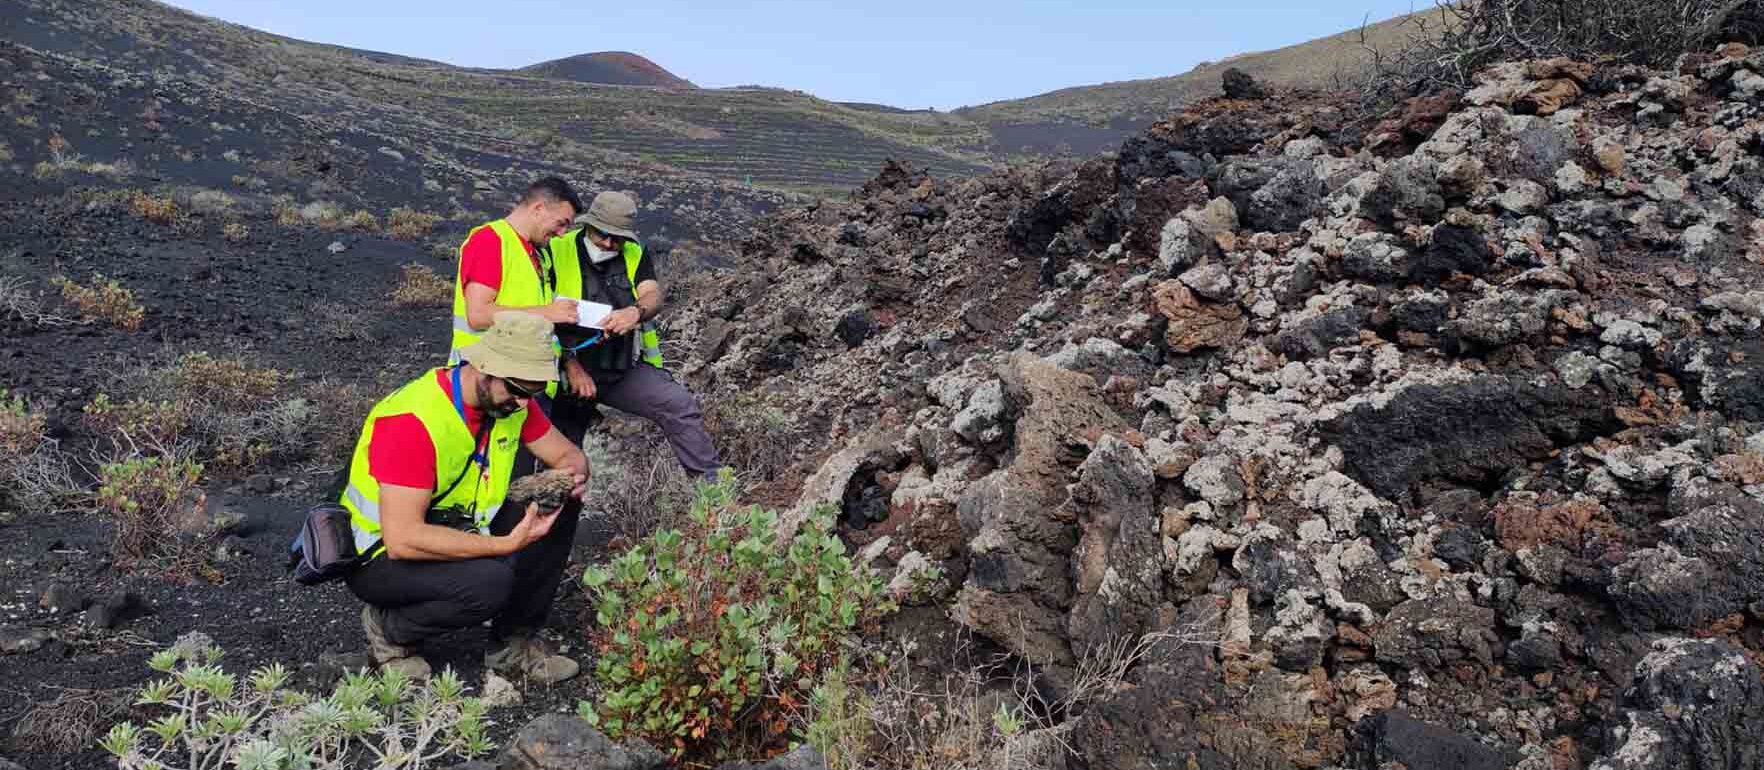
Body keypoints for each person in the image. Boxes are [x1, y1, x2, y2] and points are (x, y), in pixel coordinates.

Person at [340, 311, 590, 683]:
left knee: (559, 504)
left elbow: (569, 456)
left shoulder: (512, 401)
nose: (524, 404)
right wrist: (506, 544)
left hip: (457, 524)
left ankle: (511, 644)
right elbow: (403, 540)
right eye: (519, 391)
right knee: (488, 583)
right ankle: (390, 630)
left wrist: (569, 478)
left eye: (533, 393)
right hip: (378, 556)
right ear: (483, 369)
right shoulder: (413, 420)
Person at [537, 190, 723, 479]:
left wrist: (635, 312)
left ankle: (714, 492)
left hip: (619, 368)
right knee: (566, 465)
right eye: (603, 235)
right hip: (566, 376)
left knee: (678, 405)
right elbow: (539, 317)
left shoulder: (635, 252)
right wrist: (570, 366)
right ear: (587, 225)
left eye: (618, 237)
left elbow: (652, 294)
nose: (611, 244)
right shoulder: (554, 250)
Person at [450, 176, 584, 375]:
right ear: (538, 209)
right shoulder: (490, 241)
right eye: (561, 223)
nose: (562, 233)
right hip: (487, 378)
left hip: (521, 375)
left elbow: (529, 300)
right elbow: (477, 315)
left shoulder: (537, 251)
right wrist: (547, 312)